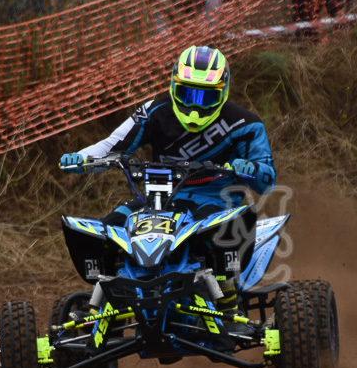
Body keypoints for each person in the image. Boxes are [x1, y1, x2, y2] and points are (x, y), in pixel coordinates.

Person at [59, 45, 276, 321]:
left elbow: (267, 180)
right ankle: (98, 308)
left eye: (206, 97)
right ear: (174, 86)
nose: (195, 107)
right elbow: (112, 144)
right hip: (156, 200)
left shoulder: (246, 124)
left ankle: (229, 305)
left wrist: (251, 168)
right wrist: (80, 158)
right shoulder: (155, 111)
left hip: (214, 200)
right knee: (107, 231)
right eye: (188, 94)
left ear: (223, 92)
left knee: (219, 230)